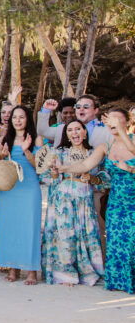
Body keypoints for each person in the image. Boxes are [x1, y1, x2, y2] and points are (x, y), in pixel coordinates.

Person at [57, 109, 135, 294]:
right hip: (116, 200)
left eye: (116, 120)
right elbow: (86, 165)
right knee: (117, 240)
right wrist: (65, 168)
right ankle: (120, 282)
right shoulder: (105, 146)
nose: (112, 124)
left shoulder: (132, 141)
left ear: (128, 122)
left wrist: (123, 131)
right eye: (110, 121)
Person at [40, 120, 104, 286]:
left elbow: (103, 179)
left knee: (84, 234)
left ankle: (86, 272)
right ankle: (65, 274)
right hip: (63, 197)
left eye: (78, 129)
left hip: (84, 198)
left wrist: (91, 178)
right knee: (64, 235)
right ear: (66, 134)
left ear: (84, 132)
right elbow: (49, 177)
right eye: (70, 130)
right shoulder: (60, 152)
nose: (74, 133)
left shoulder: (93, 153)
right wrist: (54, 173)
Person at [0, 106, 41, 285]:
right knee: (10, 227)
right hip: (10, 187)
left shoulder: (36, 139)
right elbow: (1, 163)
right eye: (15, 117)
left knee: (30, 227)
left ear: (28, 119)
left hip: (29, 187)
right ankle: (13, 268)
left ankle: (31, 271)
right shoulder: (5, 138)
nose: (18, 120)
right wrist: (1, 154)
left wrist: (27, 150)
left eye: (21, 117)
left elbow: (39, 166)